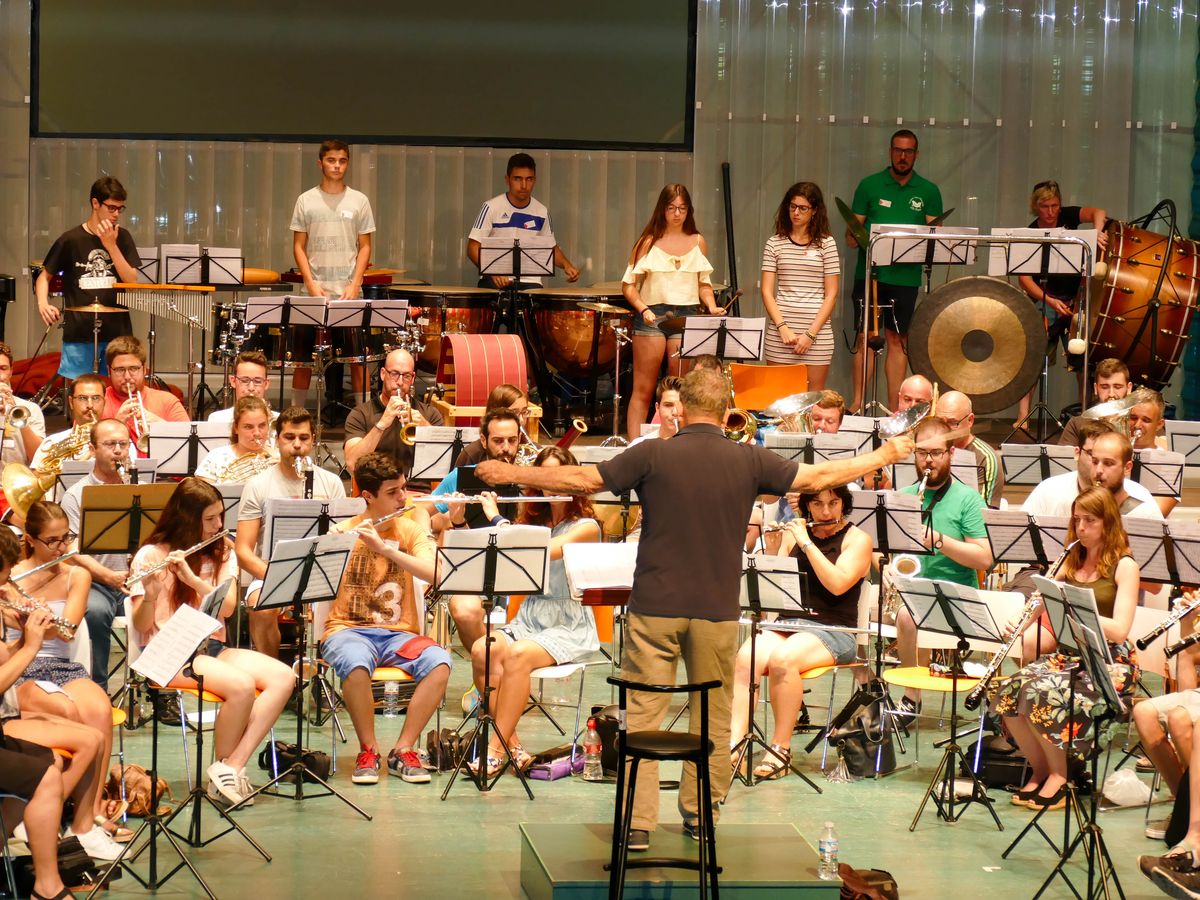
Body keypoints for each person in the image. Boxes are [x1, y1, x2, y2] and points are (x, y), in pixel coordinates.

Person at [475, 367, 912, 852]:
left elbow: (584, 477)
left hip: (654, 609)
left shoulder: (652, 453)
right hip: (715, 611)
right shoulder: (749, 459)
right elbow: (821, 475)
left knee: (642, 714)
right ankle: (701, 815)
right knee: (713, 714)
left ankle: (638, 824)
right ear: (728, 412)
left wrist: (512, 472)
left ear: (679, 409)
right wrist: (887, 452)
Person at [128, 478, 293, 807]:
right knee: (242, 686)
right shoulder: (150, 555)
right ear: (187, 519)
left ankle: (230, 766)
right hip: (167, 653)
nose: (219, 525)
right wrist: (150, 595)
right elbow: (141, 626)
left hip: (209, 647)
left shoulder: (222, 551)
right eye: (210, 519)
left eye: (221, 516)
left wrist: (191, 579)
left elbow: (229, 607)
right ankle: (226, 769)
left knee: (284, 677)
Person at [991, 487, 1138, 811]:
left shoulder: (1124, 566)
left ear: (1107, 523)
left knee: (1046, 692)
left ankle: (1061, 774)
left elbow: (1121, 629)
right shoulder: (1071, 559)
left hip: (1107, 661)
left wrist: (1077, 608)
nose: (1081, 528)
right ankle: (1041, 768)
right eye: (1077, 520)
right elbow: (1041, 602)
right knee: (1008, 691)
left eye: (1090, 521)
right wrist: (1020, 621)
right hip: (1069, 657)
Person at [466, 447, 601, 777]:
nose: (552, 486)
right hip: (531, 617)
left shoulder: (586, 526)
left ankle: (494, 751)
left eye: (558, 477)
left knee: (518, 656)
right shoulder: (537, 523)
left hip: (568, 622)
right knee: (484, 649)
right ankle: (513, 746)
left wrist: (497, 520)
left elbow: (547, 551)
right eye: (545, 478)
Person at [5, 501, 130, 850]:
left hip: (62, 665)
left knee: (99, 708)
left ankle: (84, 825)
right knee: (68, 712)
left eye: (67, 539)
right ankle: (44, 814)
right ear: (30, 540)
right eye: (53, 541)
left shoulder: (77, 574)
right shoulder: (9, 575)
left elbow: (67, 630)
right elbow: (28, 635)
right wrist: (31, 619)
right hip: (23, 667)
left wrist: (30, 617)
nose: (62, 548)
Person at [321, 453, 449, 786]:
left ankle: (403, 749)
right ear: (368, 496)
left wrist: (388, 549)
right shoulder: (342, 532)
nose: (403, 498)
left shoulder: (409, 531)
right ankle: (369, 750)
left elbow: (436, 572)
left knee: (439, 662)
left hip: (398, 635)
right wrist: (340, 544)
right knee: (356, 662)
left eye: (403, 488)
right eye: (393, 492)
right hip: (348, 630)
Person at [730, 485, 870, 779]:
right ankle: (736, 745)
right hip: (789, 623)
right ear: (807, 507)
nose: (827, 511)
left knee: (783, 659)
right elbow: (776, 587)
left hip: (835, 629)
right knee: (746, 656)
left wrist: (806, 543)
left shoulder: (858, 540)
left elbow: (837, 584)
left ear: (844, 504)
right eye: (818, 505)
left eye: (834, 503)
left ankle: (780, 748)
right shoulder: (795, 533)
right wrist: (772, 547)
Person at [890, 417, 993, 715]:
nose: (928, 461)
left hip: (957, 594)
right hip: (912, 591)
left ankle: (911, 695)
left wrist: (938, 540)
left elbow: (984, 558)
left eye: (936, 453)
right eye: (922, 453)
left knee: (909, 617)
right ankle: (895, 693)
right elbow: (884, 549)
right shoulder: (905, 497)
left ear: (950, 455)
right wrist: (884, 566)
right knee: (894, 613)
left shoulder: (968, 500)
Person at [235, 408, 347, 658]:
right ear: (277, 440)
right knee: (261, 609)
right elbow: (243, 551)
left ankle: (324, 671)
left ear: (313, 440)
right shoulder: (258, 485)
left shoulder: (331, 483)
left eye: (304, 438)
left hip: (322, 572)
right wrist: (278, 577)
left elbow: (343, 539)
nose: (297, 445)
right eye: (289, 437)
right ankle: (273, 674)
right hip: (271, 572)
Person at [848, 130, 944, 412]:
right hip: (870, 276)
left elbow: (934, 236)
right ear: (890, 151)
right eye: (898, 151)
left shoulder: (928, 190)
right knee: (865, 338)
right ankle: (857, 403)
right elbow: (851, 236)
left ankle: (895, 407)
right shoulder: (869, 185)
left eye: (909, 151)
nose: (903, 157)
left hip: (906, 278)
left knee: (896, 339)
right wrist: (855, 234)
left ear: (917, 154)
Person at [621, 183, 724, 442]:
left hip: (686, 316)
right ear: (662, 210)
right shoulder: (648, 242)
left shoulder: (698, 241)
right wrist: (643, 308)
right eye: (671, 208)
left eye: (682, 208)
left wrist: (712, 307)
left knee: (682, 387)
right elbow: (628, 286)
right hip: (652, 316)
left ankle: (681, 443)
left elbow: (703, 284)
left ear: (689, 210)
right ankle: (635, 446)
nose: (677, 214)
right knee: (644, 389)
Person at [290, 139, 376, 409]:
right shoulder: (306, 200)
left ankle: (362, 416)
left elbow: (365, 247)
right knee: (302, 360)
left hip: (349, 292)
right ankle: (298, 413)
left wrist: (355, 283)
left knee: (357, 359)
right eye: (331, 160)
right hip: (313, 293)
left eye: (342, 161)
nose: (337, 165)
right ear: (320, 163)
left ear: (347, 163)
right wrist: (310, 283)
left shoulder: (359, 200)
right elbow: (298, 246)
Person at [429, 409, 522, 652]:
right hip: (472, 569)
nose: (506, 448)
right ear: (483, 441)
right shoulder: (461, 476)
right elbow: (421, 513)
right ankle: (487, 674)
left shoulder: (533, 479)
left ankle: (492, 676)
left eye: (512, 440)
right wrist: (439, 532)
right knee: (465, 611)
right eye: (498, 441)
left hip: (522, 570)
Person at [1015, 181, 1107, 424]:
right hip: (1046, 299)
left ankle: (1086, 417)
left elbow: (1099, 213)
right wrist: (1049, 300)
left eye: (1055, 205)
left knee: (1083, 361)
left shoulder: (1068, 216)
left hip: (1077, 299)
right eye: (1045, 206)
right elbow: (1023, 279)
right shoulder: (1031, 231)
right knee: (1034, 356)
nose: (1051, 211)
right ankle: (1023, 416)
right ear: (1036, 206)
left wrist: (1097, 231)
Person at [34, 176, 140, 379]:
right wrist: (43, 303)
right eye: (111, 208)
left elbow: (132, 283)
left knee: (114, 393)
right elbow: (44, 276)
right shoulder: (70, 239)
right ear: (95, 203)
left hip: (117, 332)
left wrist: (111, 246)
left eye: (120, 209)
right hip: (79, 331)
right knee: (81, 391)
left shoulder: (123, 237)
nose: (116, 214)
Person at [60, 419, 132, 688]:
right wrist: (108, 576)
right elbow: (71, 550)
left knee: (164, 605)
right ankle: (97, 688)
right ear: (92, 448)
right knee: (96, 613)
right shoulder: (77, 495)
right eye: (109, 444)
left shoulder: (139, 489)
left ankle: (158, 688)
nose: (117, 450)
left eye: (123, 444)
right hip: (96, 582)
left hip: (132, 581)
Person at [760, 182, 840, 388]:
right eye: (792, 206)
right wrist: (782, 327)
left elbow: (831, 295)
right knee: (778, 400)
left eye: (802, 208)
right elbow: (767, 292)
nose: (796, 213)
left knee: (812, 400)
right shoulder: (774, 243)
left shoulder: (827, 243)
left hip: (816, 334)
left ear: (814, 211)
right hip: (781, 333)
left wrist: (810, 334)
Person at [466, 152, 580, 290]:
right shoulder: (491, 207)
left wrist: (566, 265)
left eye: (529, 179)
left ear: (535, 180)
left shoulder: (542, 211)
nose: (524, 185)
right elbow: (472, 247)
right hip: (495, 282)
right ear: (507, 180)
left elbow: (550, 247)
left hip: (531, 283)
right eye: (518, 179)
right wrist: (493, 271)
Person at [343, 348, 443, 483]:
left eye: (406, 376)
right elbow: (352, 463)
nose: (400, 382)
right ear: (383, 374)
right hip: (378, 494)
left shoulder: (430, 414)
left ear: (413, 378)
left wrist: (426, 429)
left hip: (419, 493)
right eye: (394, 374)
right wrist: (381, 424)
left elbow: (444, 463)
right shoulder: (360, 414)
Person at [101, 335, 188, 456]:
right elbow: (84, 451)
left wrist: (159, 425)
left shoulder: (168, 401)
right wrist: (116, 425)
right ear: (109, 371)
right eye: (120, 370)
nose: (127, 376)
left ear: (144, 370)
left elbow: (189, 446)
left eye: (133, 368)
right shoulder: (96, 401)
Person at [935, 390, 1004, 507]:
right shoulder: (928, 450)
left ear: (970, 420)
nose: (945, 429)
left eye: (953, 423)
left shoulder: (986, 459)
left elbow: (980, 514)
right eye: (940, 422)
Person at [30, 374, 104, 470]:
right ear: (71, 402)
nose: (90, 405)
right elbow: (36, 476)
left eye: (96, 398)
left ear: (104, 402)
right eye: (82, 398)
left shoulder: (121, 442)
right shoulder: (52, 442)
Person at [195, 396, 277, 483]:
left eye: (262, 425)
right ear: (236, 428)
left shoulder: (277, 458)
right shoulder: (216, 457)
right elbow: (203, 493)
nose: (257, 433)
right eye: (248, 427)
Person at [1056, 357, 1131, 447]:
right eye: (1104, 387)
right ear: (1095, 388)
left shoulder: (1138, 422)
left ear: (1129, 388)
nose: (1111, 394)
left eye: (1118, 387)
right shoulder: (1077, 424)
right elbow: (1064, 459)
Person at [453, 383, 532, 467]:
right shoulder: (472, 455)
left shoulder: (532, 452)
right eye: (513, 413)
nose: (521, 419)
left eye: (524, 412)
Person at [206, 350, 277, 439]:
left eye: (258, 381)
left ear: (266, 384)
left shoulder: (279, 421)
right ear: (233, 381)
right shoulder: (217, 419)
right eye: (244, 381)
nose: (251, 388)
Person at [0, 342, 46, 467]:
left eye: (3, 369)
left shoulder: (31, 409)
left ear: (11, 371)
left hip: (19, 483)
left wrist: (20, 419)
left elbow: (38, 458)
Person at [630, 376, 684, 445]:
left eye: (680, 406)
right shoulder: (638, 445)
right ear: (657, 408)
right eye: (668, 405)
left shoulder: (697, 446)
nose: (675, 412)